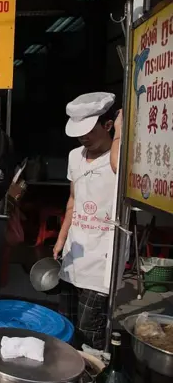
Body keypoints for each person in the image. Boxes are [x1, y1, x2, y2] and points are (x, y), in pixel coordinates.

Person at [52, 92, 123, 350]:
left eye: (89, 131)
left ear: (108, 124)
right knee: (66, 323)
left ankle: (92, 368)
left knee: (89, 328)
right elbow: (73, 200)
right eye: (79, 132)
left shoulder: (118, 157)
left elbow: (117, 167)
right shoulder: (75, 156)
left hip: (101, 258)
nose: (83, 137)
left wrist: (121, 132)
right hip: (75, 253)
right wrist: (61, 239)